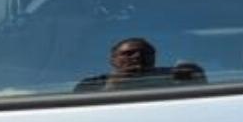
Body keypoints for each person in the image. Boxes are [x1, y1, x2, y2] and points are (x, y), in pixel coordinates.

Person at [75, 37, 205, 91]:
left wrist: (195, 77)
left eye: (145, 53)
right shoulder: (91, 84)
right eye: (128, 53)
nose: (137, 56)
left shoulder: (170, 77)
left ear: (154, 58)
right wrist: (111, 87)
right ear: (113, 60)